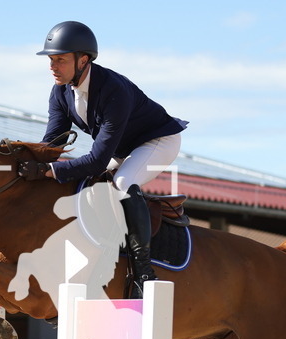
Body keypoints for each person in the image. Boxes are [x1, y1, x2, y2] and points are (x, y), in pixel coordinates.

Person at [19, 20, 188, 298]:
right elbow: (52, 144)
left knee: (122, 183)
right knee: (88, 185)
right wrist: (24, 163)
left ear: (83, 60)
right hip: (123, 150)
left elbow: (97, 160)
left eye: (60, 60)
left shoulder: (113, 89)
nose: (52, 66)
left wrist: (49, 171)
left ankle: (144, 272)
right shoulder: (60, 92)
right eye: (51, 60)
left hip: (157, 141)